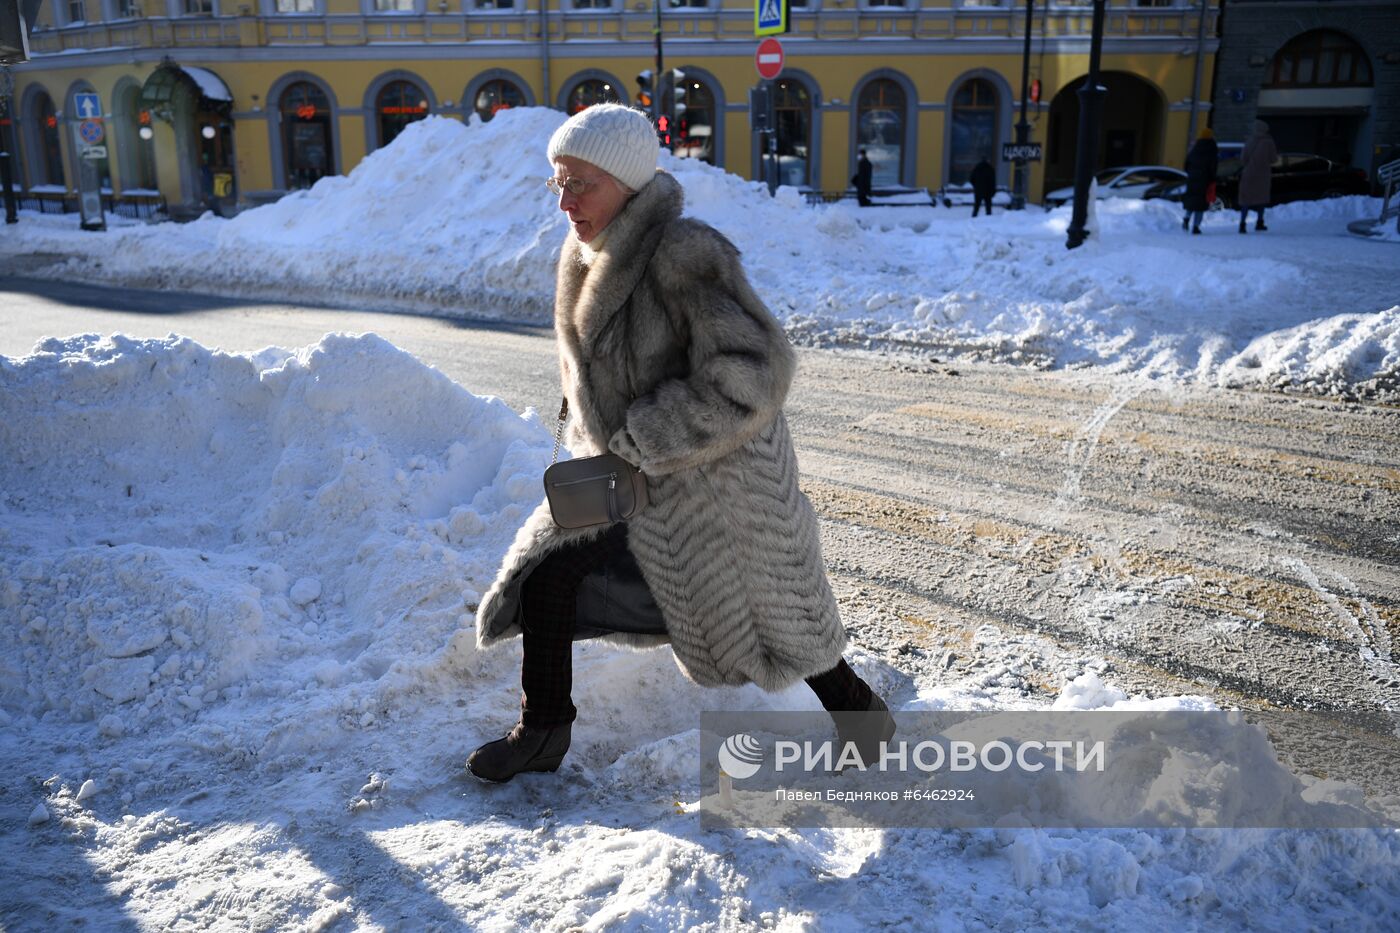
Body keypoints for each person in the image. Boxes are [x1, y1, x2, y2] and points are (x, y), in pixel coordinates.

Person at [468, 104, 896, 783]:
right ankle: (543, 731)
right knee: (549, 575)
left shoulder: (682, 253)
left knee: (778, 620)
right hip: (633, 484)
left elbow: (756, 370)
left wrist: (648, 433)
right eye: (558, 183)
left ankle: (861, 714)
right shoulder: (583, 258)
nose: (566, 200)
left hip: (719, 495)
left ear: (628, 182)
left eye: (581, 182)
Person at [1238, 119, 1277, 234]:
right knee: (1261, 199)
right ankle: (1259, 222)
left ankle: (1242, 224)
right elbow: (1273, 159)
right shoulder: (1269, 141)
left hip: (1248, 174)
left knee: (1246, 200)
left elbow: (1243, 158)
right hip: (1263, 175)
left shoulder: (1249, 140)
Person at [1182, 127, 1218, 235]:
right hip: (1204, 179)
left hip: (1192, 179)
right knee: (1201, 205)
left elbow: (1186, 164)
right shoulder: (1211, 148)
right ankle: (1196, 227)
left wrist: (1191, 174)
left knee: (1192, 201)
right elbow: (1213, 166)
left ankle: (1187, 217)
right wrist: (1212, 178)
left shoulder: (1195, 148)